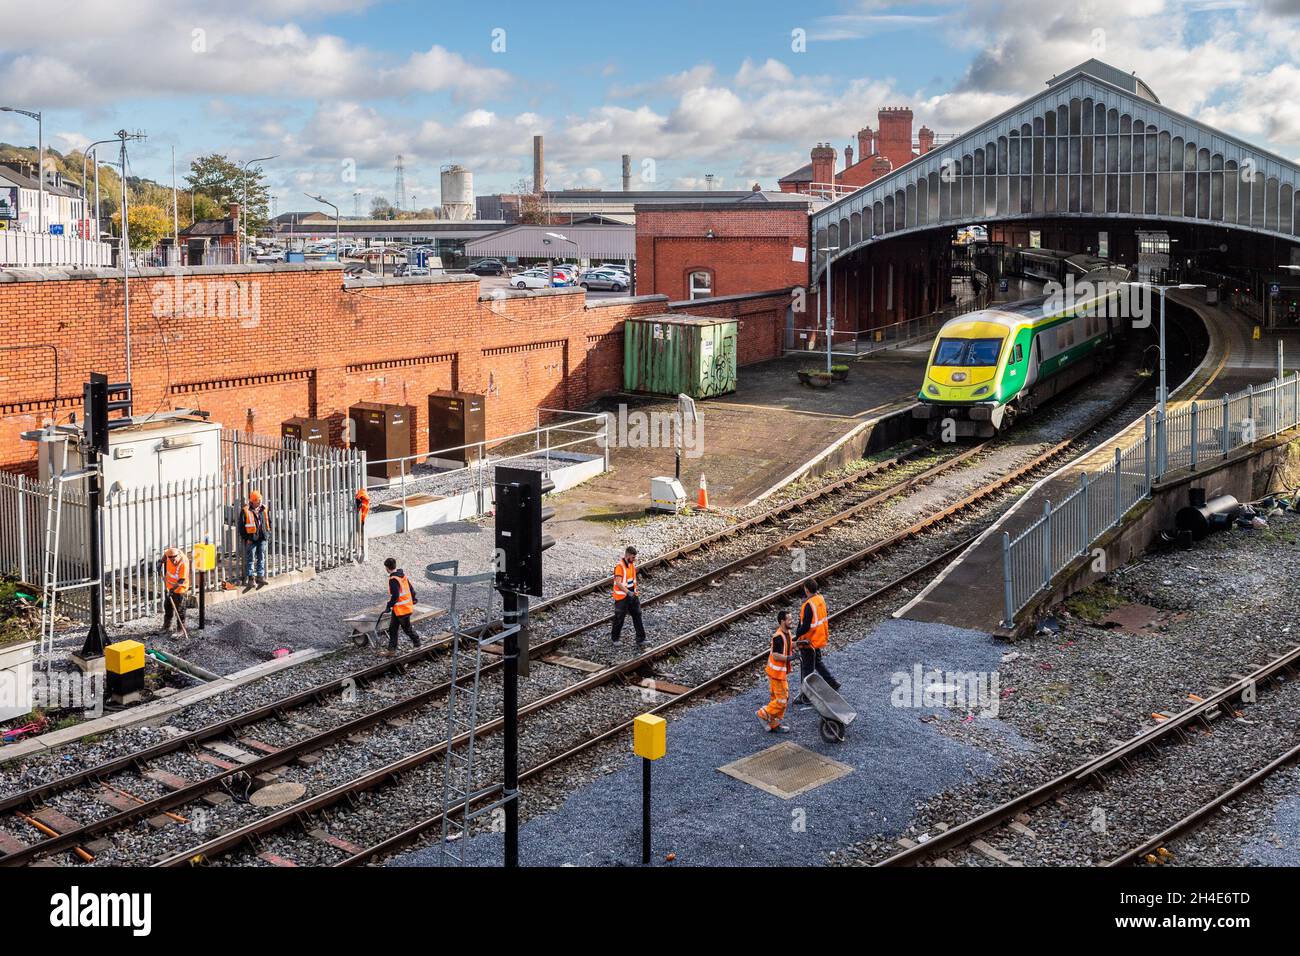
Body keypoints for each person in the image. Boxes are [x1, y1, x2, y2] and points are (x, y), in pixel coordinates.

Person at [795, 578, 839, 706]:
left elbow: (806, 626)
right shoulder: (820, 599)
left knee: (807, 669)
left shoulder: (808, 605)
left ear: (807, 590)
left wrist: (797, 636)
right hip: (818, 638)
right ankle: (832, 683)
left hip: (808, 641)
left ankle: (806, 696)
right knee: (817, 663)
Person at [757, 610, 794, 733]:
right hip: (776, 674)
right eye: (789, 619)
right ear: (782, 621)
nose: (791, 621)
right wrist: (789, 658)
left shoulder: (787, 633)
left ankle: (774, 723)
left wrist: (799, 644)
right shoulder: (778, 637)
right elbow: (777, 655)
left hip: (779, 674)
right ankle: (763, 714)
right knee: (781, 700)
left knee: (780, 698)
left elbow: (788, 645)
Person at [380, 557, 421, 657]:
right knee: (392, 629)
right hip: (399, 609)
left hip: (402, 610)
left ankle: (418, 644)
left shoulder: (393, 580)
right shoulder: (402, 575)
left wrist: (388, 605)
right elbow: (411, 589)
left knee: (407, 629)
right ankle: (391, 650)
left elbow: (396, 596)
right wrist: (414, 598)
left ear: (387, 568)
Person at [611, 545, 646, 645]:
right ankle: (615, 639)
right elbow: (618, 582)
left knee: (637, 614)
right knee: (619, 618)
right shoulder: (619, 566)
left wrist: (633, 593)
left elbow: (631, 580)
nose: (634, 559)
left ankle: (641, 639)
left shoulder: (631, 565)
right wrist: (628, 592)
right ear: (628, 555)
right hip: (622, 596)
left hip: (632, 594)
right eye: (633, 557)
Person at [240, 490, 272, 588]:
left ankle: (260, 576)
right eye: (258, 501)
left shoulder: (264, 508)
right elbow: (241, 527)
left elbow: (268, 522)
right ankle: (251, 578)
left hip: (262, 537)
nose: (259, 502)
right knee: (251, 559)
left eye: (260, 500)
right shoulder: (245, 510)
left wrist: (268, 534)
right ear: (253, 501)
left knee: (261, 557)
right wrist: (247, 538)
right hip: (252, 539)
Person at [159, 546, 190, 635]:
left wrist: (172, 590)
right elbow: (166, 554)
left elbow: (181, 581)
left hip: (180, 590)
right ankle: (166, 627)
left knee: (180, 610)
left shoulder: (183, 563)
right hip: (169, 587)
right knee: (167, 607)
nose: (173, 561)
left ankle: (180, 629)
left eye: (175, 558)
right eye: (171, 559)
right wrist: (160, 562)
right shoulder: (169, 556)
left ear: (178, 555)